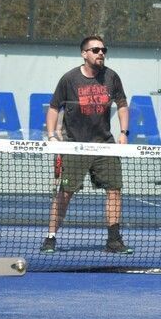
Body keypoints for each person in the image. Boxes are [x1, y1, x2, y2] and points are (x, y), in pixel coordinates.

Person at [40, 36, 132, 255]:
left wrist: (123, 133)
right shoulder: (69, 79)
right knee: (65, 193)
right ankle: (51, 237)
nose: (101, 53)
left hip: (104, 145)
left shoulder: (111, 77)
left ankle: (113, 240)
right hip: (75, 146)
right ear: (84, 54)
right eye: (95, 50)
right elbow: (54, 108)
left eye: (103, 50)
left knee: (114, 191)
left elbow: (121, 104)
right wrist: (52, 135)